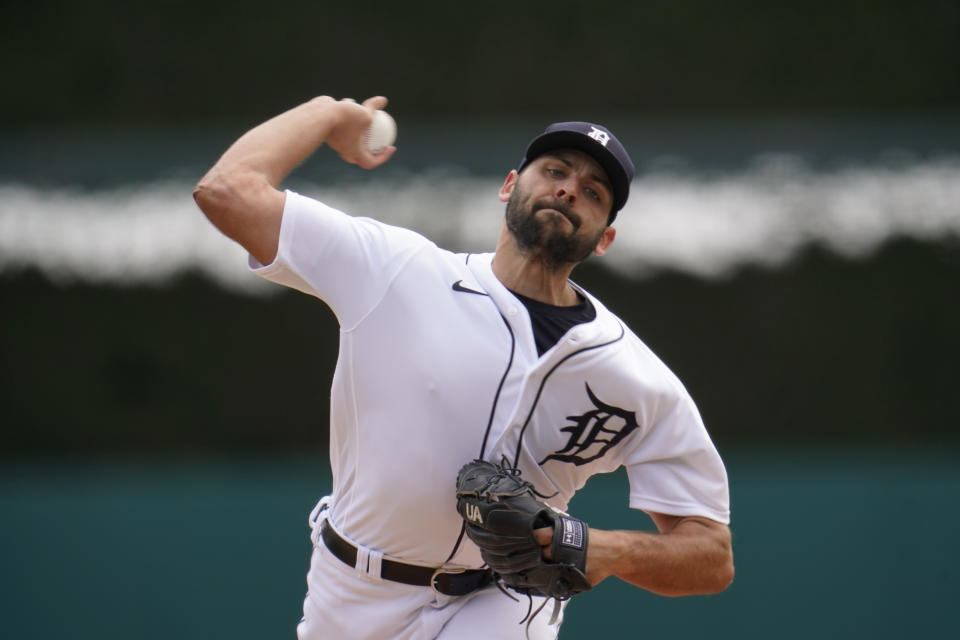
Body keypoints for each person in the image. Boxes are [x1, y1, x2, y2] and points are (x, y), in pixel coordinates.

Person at [193, 95, 734, 640]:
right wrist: (329, 114)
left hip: (505, 600)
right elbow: (225, 192)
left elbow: (712, 556)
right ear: (508, 186)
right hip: (354, 591)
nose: (569, 189)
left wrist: (605, 549)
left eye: (593, 192)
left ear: (605, 239)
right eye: (554, 171)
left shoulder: (635, 376)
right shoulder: (396, 270)